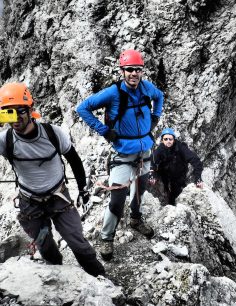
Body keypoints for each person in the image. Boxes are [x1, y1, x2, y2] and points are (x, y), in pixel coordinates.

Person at [0, 82, 104, 277]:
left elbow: (73, 159)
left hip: (58, 198)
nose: (15, 118)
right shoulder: (6, 140)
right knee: (45, 246)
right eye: (8, 112)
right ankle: (58, 278)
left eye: (19, 110)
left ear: (31, 110)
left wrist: (83, 189)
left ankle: (99, 277)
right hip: (29, 204)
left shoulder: (52, 133)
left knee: (77, 242)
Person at [76, 49, 164, 260]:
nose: (134, 74)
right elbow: (83, 108)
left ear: (142, 71)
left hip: (144, 151)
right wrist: (105, 130)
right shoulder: (113, 93)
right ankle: (106, 238)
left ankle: (135, 219)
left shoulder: (146, 88)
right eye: (130, 70)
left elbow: (159, 96)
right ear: (123, 71)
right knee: (117, 199)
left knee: (140, 191)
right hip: (123, 154)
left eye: (138, 70)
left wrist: (155, 117)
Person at [149, 128, 204, 205]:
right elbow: (152, 162)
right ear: (162, 140)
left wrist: (198, 178)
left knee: (175, 195)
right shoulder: (160, 150)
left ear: (174, 140)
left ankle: (173, 206)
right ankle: (165, 200)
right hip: (164, 175)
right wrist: (152, 175)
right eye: (166, 139)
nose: (168, 141)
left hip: (178, 176)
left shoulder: (180, 148)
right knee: (164, 192)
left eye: (170, 139)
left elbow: (196, 161)